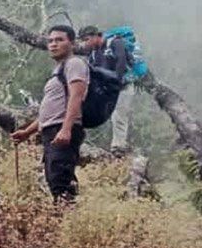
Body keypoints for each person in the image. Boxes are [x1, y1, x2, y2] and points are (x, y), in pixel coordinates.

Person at [10, 25, 89, 201]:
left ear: (72, 43)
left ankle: (68, 220)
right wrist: (27, 132)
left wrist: (66, 129)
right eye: (50, 41)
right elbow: (49, 112)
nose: (53, 44)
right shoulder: (58, 70)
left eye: (59, 40)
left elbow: (77, 96)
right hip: (53, 130)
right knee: (57, 178)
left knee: (60, 181)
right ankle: (67, 219)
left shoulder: (74, 64)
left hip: (62, 130)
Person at [79, 25, 133, 156]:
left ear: (96, 36)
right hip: (105, 88)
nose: (85, 43)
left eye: (86, 39)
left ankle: (119, 147)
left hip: (123, 86)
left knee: (119, 115)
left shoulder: (115, 42)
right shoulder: (92, 53)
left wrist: (118, 81)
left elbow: (121, 61)